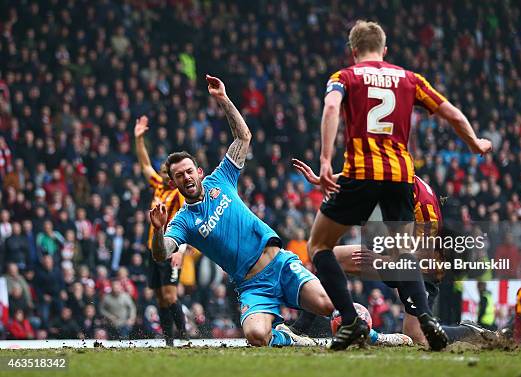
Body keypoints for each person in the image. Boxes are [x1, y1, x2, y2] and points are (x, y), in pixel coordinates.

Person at [308, 20, 492, 350]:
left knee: (319, 247)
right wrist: (475, 143)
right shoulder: (409, 79)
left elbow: (332, 106)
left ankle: (350, 320)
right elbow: (450, 112)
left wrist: (325, 160)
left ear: (353, 52)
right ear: (385, 50)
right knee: (405, 252)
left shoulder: (344, 77)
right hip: (399, 177)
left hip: (362, 173)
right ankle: (427, 316)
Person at [150, 75, 335, 347]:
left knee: (327, 305)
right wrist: (158, 229)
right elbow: (161, 252)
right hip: (252, 286)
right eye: (179, 175)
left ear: (199, 172)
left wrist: (223, 99)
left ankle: (375, 336)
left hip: (280, 263)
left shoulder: (221, 178)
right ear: (173, 182)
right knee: (256, 336)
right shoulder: (183, 221)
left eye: (189, 171)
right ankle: (285, 336)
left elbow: (243, 136)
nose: (186, 177)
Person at [292, 159, 499, 348]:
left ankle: (470, 332)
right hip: (395, 253)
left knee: (417, 336)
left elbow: (421, 254)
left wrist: (384, 261)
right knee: (330, 256)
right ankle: (301, 327)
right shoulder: (393, 179)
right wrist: (323, 180)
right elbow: (358, 175)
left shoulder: (420, 204)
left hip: (424, 265)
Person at [134, 115, 191, 345]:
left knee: (170, 295)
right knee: (159, 298)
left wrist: (181, 249)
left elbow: (187, 220)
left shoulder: (179, 194)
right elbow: (145, 165)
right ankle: (169, 341)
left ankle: (185, 337)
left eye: (167, 173)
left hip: (170, 249)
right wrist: (139, 140)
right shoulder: (158, 185)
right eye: (164, 172)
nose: (164, 175)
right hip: (153, 249)